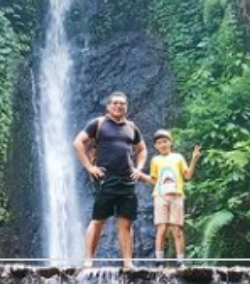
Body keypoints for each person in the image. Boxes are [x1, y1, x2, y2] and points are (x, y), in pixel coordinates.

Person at [73, 91, 148, 268]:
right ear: (108, 106)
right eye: (115, 103)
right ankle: (89, 259)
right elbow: (78, 142)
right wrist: (90, 167)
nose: (119, 106)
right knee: (98, 219)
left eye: (122, 104)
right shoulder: (98, 123)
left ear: (126, 107)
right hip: (106, 179)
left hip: (127, 181)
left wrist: (139, 169)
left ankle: (127, 263)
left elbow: (142, 149)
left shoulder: (131, 127)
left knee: (126, 222)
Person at [145, 129, 201, 267]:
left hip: (177, 196)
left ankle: (181, 261)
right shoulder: (155, 160)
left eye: (165, 141)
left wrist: (194, 159)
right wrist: (140, 176)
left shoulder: (178, 157)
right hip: (160, 196)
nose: (163, 144)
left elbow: (187, 175)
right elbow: (154, 179)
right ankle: (159, 261)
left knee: (177, 229)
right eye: (159, 143)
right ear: (155, 146)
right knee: (162, 228)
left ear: (171, 142)